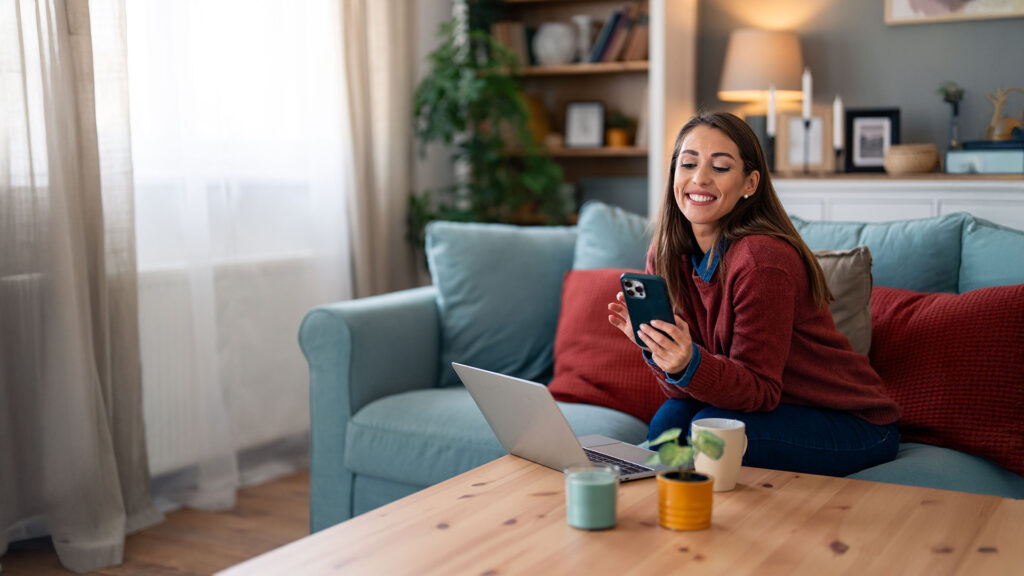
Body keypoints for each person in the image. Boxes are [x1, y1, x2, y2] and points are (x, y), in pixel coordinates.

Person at [607, 111, 900, 477]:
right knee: (670, 422)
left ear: (750, 183)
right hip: (763, 408)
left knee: (708, 437)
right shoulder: (667, 254)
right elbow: (685, 394)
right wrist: (661, 353)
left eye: (721, 167)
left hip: (851, 422)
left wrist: (688, 363)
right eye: (688, 163)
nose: (699, 178)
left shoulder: (762, 260)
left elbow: (760, 390)